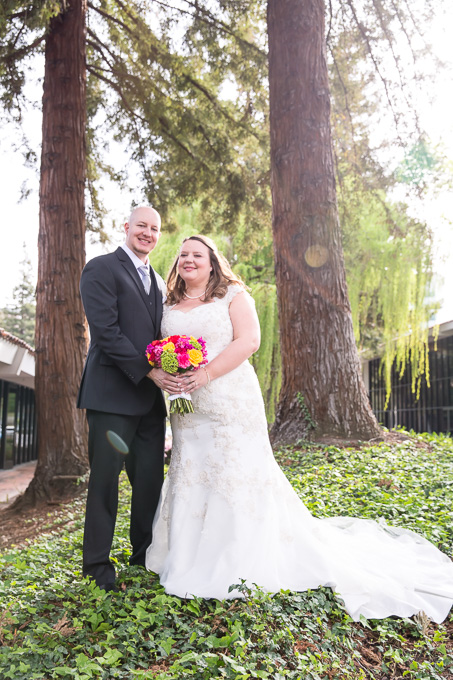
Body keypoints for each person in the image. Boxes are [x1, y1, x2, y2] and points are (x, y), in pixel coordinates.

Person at [145, 234, 453, 623]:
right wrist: (170, 369)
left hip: (228, 398)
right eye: (183, 255)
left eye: (198, 255)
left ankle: (236, 556)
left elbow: (250, 341)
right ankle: (186, 553)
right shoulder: (169, 303)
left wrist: (204, 374)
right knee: (191, 469)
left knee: (234, 471)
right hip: (187, 407)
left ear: (212, 262)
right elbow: (161, 345)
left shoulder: (233, 295)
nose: (189, 260)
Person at [78, 206, 180, 592]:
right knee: (105, 483)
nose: (148, 233)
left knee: (150, 481)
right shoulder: (101, 268)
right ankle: (98, 569)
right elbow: (105, 331)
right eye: (142, 225)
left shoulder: (157, 280)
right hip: (111, 397)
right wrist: (150, 370)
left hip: (150, 402)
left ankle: (144, 558)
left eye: (154, 228)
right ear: (127, 227)